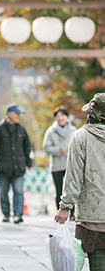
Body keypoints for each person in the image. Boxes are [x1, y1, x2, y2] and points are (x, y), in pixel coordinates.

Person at [54, 93, 105, 270]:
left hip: (93, 216)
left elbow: (74, 175)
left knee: (98, 263)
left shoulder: (81, 136)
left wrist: (64, 206)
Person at [0, 104, 32, 224]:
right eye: (16, 113)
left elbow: (27, 147)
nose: (19, 116)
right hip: (4, 167)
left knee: (18, 191)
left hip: (18, 167)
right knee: (3, 192)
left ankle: (18, 214)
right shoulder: (0, 129)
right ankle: (6, 214)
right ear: (9, 114)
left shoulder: (22, 130)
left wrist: (29, 163)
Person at [43, 106, 77, 220]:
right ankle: (60, 214)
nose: (60, 118)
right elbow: (46, 147)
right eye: (58, 116)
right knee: (59, 191)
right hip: (56, 165)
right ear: (55, 118)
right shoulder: (50, 131)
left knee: (71, 190)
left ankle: (72, 214)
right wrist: (59, 149)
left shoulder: (74, 130)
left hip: (70, 164)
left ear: (67, 117)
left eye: (62, 115)